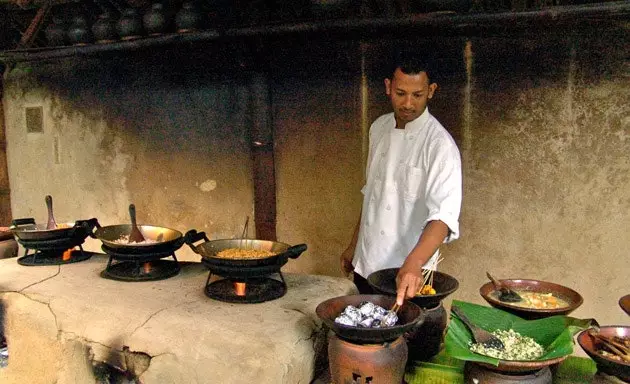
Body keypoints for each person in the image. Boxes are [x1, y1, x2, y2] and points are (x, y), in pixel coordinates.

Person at [340, 50, 462, 306]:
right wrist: (354, 245)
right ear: (388, 87)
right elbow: (372, 193)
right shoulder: (378, 128)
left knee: (406, 341)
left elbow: (442, 217)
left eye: (417, 95)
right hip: (368, 262)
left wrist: (415, 262)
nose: (408, 103)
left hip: (408, 274)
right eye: (400, 93)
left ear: (431, 91)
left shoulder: (439, 145)